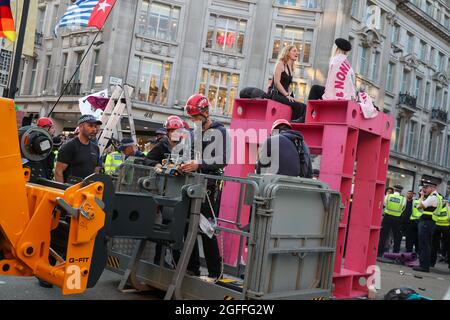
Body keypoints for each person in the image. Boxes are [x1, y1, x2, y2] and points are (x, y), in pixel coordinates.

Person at [181, 93, 230, 280]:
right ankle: (192, 268)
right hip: (192, 184)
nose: (193, 120)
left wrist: (198, 164)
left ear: (206, 112)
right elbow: (188, 154)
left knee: (207, 230)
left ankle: (214, 272)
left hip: (210, 187)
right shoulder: (194, 133)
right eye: (191, 118)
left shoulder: (219, 132)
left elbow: (223, 160)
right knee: (187, 227)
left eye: (196, 117)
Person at [55, 115, 102, 184]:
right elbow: (58, 172)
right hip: (71, 190)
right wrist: (62, 191)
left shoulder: (95, 148)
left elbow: (96, 171)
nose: (94, 129)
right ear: (81, 127)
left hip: (87, 192)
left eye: (95, 126)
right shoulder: (69, 146)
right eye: (90, 126)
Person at [268, 45, 306, 122]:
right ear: (287, 52)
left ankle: (297, 123)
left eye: (297, 51)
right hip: (276, 94)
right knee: (297, 106)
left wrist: (291, 96)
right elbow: (277, 82)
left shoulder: (291, 67)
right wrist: (287, 95)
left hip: (284, 95)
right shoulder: (280, 64)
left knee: (304, 106)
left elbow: (287, 85)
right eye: (294, 51)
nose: (297, 53)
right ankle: (291, 123)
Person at [413, 180, 442, 272]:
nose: (425, 190)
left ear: (432, 188)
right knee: (425, 244)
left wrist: (421, 196)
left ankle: (424, 266)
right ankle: (424, 265)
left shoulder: (433, 197)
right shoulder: (434, 197)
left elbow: (419, 206)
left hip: (427, 223)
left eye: (426, 188)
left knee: (424, 244)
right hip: (428, 222)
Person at [378, 185, 406, 257]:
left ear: (394, 189)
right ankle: (395, 254)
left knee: (383, 235)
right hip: (397, 218)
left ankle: (379, 253)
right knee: (397, 236)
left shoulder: (388, 196)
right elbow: (403, 208)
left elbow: (384, 204)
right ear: (400, 191)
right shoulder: (403, 198)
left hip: (387, 217)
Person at [431, 198, 450, 269]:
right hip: (442, 227)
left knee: (445, 245)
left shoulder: (445, 207)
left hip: (443, 227)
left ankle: (432, 262)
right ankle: (432, 262)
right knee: (436, 245)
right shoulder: (445, 207)